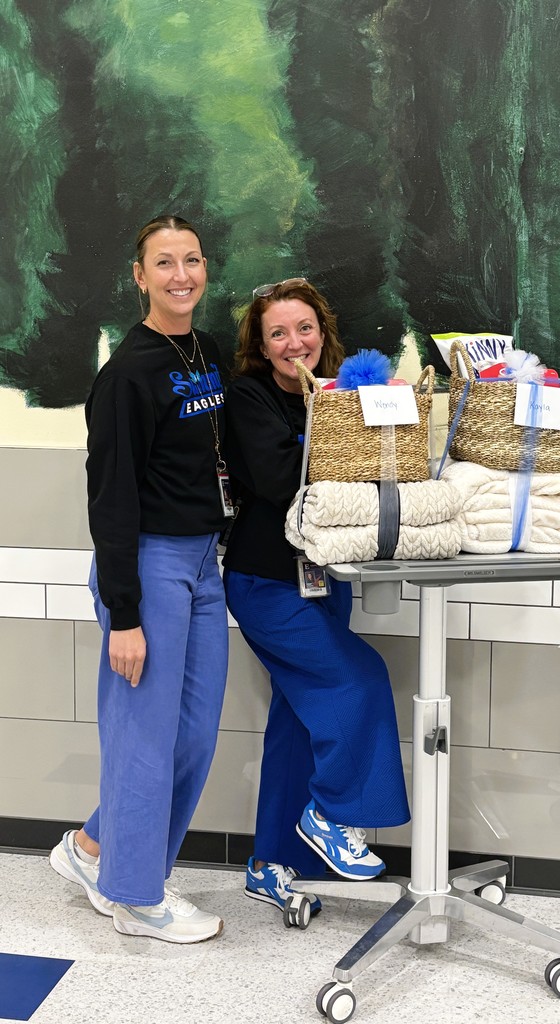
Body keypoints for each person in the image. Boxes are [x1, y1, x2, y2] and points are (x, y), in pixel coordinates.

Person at [50, 215, 230, 944]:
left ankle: (93, 850)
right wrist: (124, 613)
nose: (180, 275)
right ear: (139, 275)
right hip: (149, 565)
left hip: (202, 563)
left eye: (191, 260)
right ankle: (135, 897)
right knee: (145, 738)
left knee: (192, 736)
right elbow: (111, 497)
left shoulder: (204, 352)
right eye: (164, 263)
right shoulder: (127, 373)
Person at [222, 278, 410, 916]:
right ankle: (333, 814)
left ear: (324, 334)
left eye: (304, 328)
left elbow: (376, 467)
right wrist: (341, 435)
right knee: (358, 678)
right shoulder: (248, 397)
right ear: (261, 344)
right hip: (267, 584)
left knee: (299, 719)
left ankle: (270, 863)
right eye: (277, 333)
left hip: (326, 577)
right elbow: (280, 479)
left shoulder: (343, 397)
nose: (293, 343)